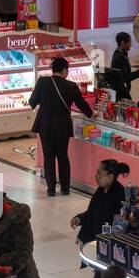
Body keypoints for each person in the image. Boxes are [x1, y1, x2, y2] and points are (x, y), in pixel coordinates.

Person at [29, 55, 93, 197]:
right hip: (63, 126)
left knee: (48, 157)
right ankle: (65, 188)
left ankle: (51, 189)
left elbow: (32, 101)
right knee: (63, 156)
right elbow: (82, 105)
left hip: (45, 124)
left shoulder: (42, 82)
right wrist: (91, 114)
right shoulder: (71, 86)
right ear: (64, 70)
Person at [71, 159, 129, 248]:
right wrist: (80, 218)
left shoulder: (119, 195)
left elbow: (117, 223)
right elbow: (92, 212)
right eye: (96, 172)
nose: (96, 176)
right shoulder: (101, 190)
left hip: (105, 243)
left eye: (100, 174)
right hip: (92, 238)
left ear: (110, 177)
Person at [104, 32, 139, 102]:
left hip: (119, 90)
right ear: (123, 42)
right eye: (129, 42)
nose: (131, 45)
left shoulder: (119, 53)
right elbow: (124, 78)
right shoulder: (120, 57)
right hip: (121, 93)